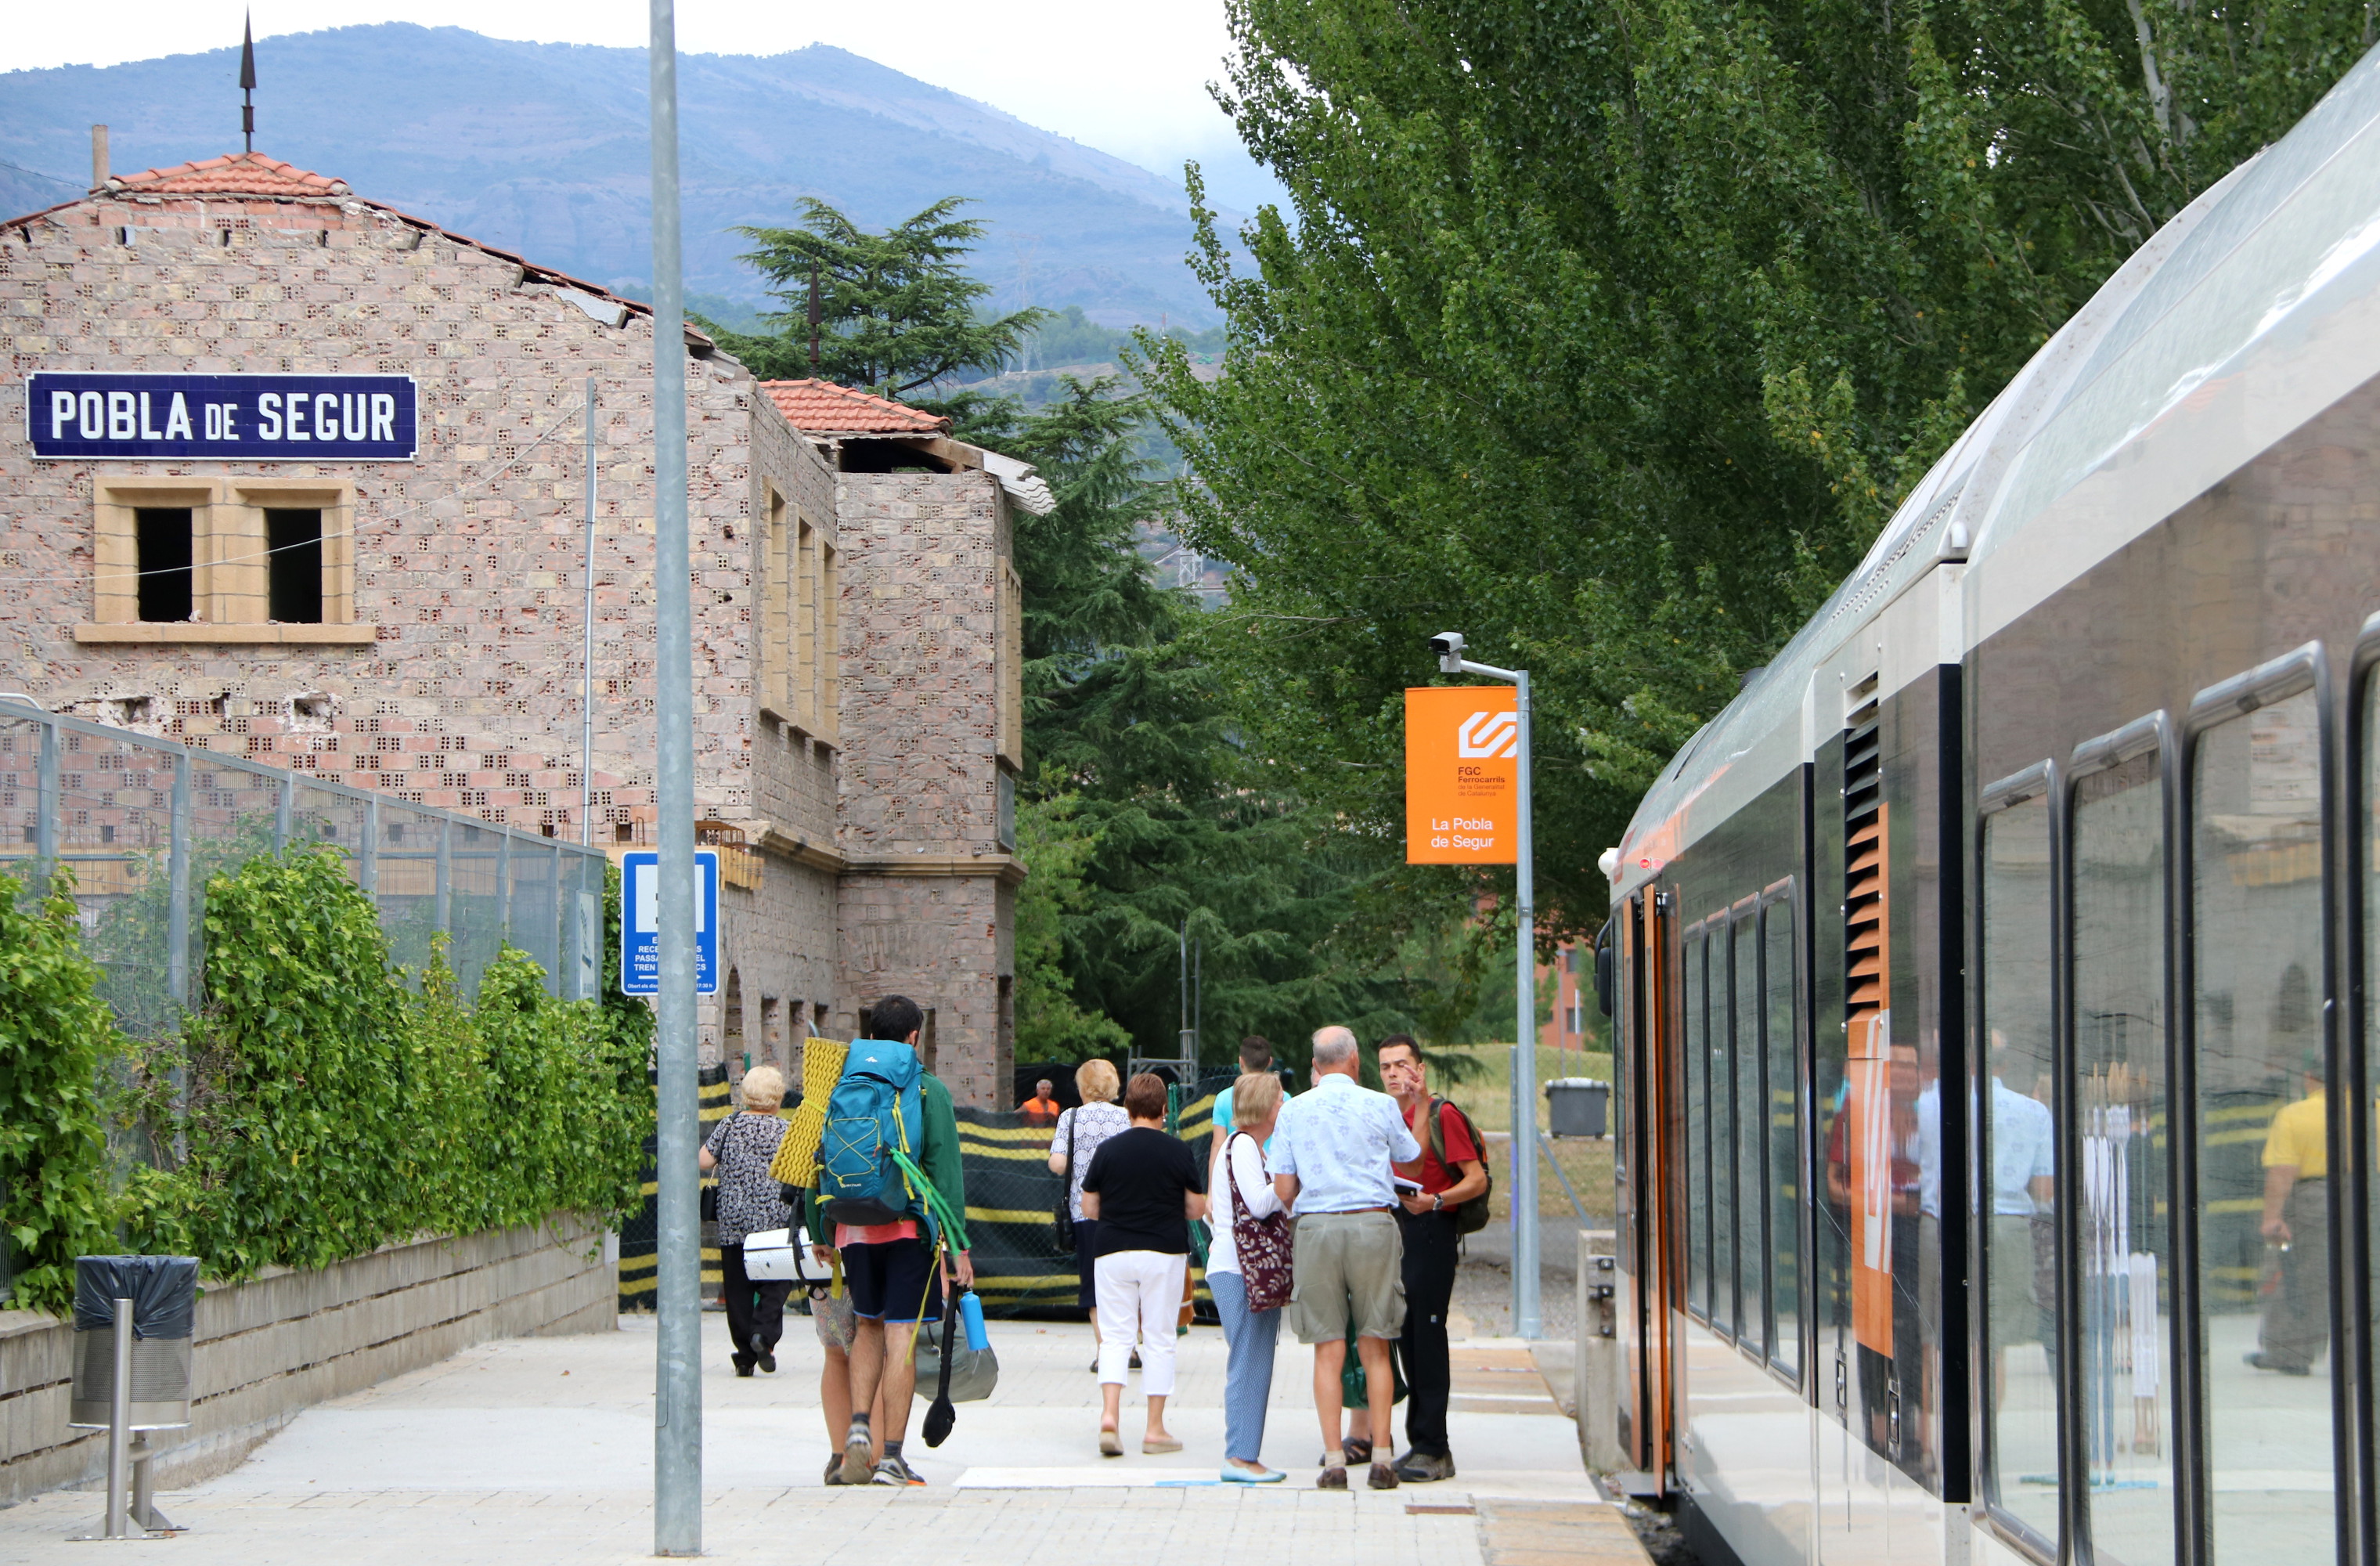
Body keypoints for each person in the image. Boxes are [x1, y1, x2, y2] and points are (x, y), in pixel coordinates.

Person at [807, 995, 973, 1488]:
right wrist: (957, 1245)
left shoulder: (839, 1082)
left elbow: (818, 1157)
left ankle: (859, 1428)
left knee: (867, 1327)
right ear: (915, 1037)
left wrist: (824, 1232)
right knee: (901, 1333)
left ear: (870, 1033)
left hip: (851, 1227)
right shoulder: (925, 1089)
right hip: (906, 1227)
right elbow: (946, 1172)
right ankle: (893, 1457)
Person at [1271, 1025, 1421, 1490]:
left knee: (1328, 1350)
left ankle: (1335, 1459)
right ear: (1355, 1061)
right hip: (1373, 1224)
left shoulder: (1293, 1110)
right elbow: (1412, 1161)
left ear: (1315, 1065)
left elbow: (1283, 1189)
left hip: (1316, 1229)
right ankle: (1381, 1457)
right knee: (1375, 1345)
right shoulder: (1380, 1104)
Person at [1080, 1071, 1209, 1456]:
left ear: (1128, 1108)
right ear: (1164, 1110)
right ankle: (1154, 1430)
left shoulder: (1108, 1150)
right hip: (1163, 1253)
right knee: (1159, 1338)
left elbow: (1089, 1206)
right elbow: (1196, 1208)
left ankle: (1109, 1417)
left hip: (1112, 1251)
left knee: (1116, 1337)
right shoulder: (1178, 1151)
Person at [1377, 1034, 1487, 1482]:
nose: (1393, 1074)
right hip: (1403, 1229)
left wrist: (1439, 1201)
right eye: (1385, 1067)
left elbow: (1476, 1179)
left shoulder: (1443, 1115)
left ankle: (1435, 1447)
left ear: (1421, 1069)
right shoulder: (1393, 1116)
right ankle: (1421, 1442)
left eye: (1402, 1065)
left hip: (1432, 1231)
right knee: (1407, 1336)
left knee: (1427, 1337)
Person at [1207, 1069, 1289, 1482]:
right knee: (1249, 1361)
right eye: (1278, 1100)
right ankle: (1239, 1456)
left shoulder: (1242, 1146)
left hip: (1234, 1264)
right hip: (1240, 1268)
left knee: (1251, 1359)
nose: (1283, 1106)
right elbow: (1258, 1204)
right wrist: (1288, 1186)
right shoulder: (1243, 1146)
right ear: (1262, 1105)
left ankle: (1244, 1453)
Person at [698, 1063, 795, 1377]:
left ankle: (744, 1357)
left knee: (738, 1288)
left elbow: (704, 1160)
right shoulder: (786, 1130)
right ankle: (763, 1336)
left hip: (734, 1219)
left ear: (746, 1094)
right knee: (777, 1283)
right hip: (775, 1221)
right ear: (777, 1098)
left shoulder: (730, 1124)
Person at [1049, 1059, 1132, 1368]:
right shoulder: (1126, 1117)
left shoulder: (1071, 1118)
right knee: (1125, 1281)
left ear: (1082, 1086)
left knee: (1094, 1283)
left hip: (1085, 1212)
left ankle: (1105, 1351)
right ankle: (1131, 1347)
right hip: (1124, 1212)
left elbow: (1057, 1164)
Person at [2249, 1055, 2329, 1376]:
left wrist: (2272, 1218)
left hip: (2313, 1201)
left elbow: (2283, 1169)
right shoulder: (2375, 1109)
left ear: (2309, 1078)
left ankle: (2290, 1352)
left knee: (2296, 1275)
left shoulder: (2295, 1115)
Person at [1210, 1036, 1278, 1161]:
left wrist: (1213, 1179)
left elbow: (1218, 1145)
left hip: (1235, 1163)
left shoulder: (1223, 1098)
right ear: (1270, 1062)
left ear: (1241, 1061)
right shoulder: (1280, 1096)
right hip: (1272, 1166)